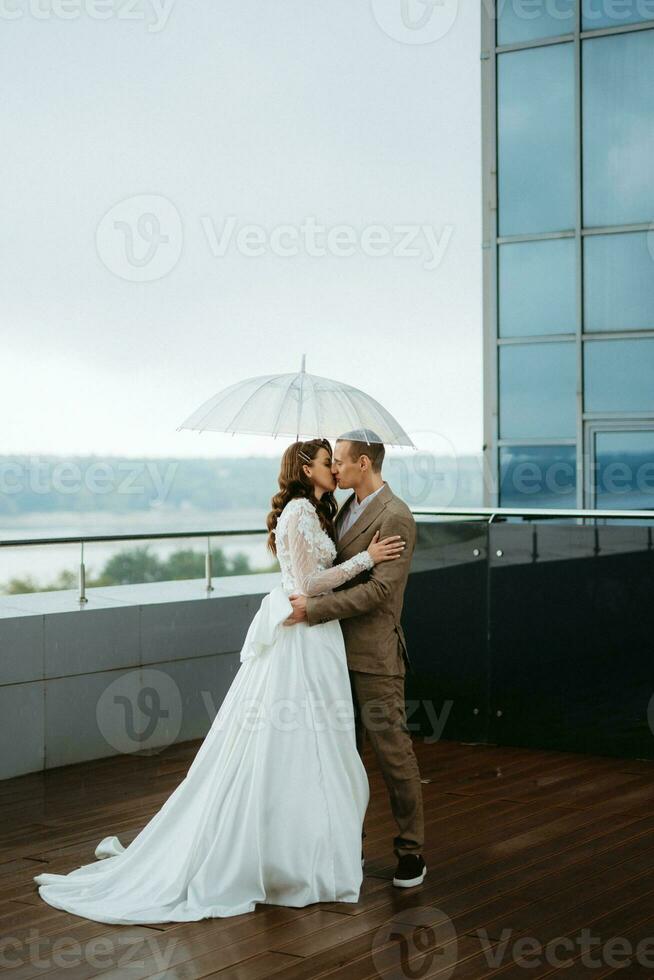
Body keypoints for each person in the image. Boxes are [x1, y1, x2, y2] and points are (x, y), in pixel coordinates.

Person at [33, 437, 405, 925]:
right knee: (287, 741)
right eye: (325, 462)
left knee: (319, 742)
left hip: (319, 635)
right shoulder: (297, 511)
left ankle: (309, 848)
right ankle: (279, 855)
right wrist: (366, 559)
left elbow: (317, 575)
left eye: (335, 462)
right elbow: (306, 584)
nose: (333, 468)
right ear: (304, 468)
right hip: (301, 636)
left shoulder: (319, 512)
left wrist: (356, 561)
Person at [284, 429, 426, 888]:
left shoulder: (396, 515)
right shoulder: (342, 508)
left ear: (363, 464)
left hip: (373, 656)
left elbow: (381, 589)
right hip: (329, 654)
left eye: (341, 461)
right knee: (342, 757)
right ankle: (350, 846)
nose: (335, 468)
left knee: (393, 755)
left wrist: (316, 609)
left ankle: (411, 853)